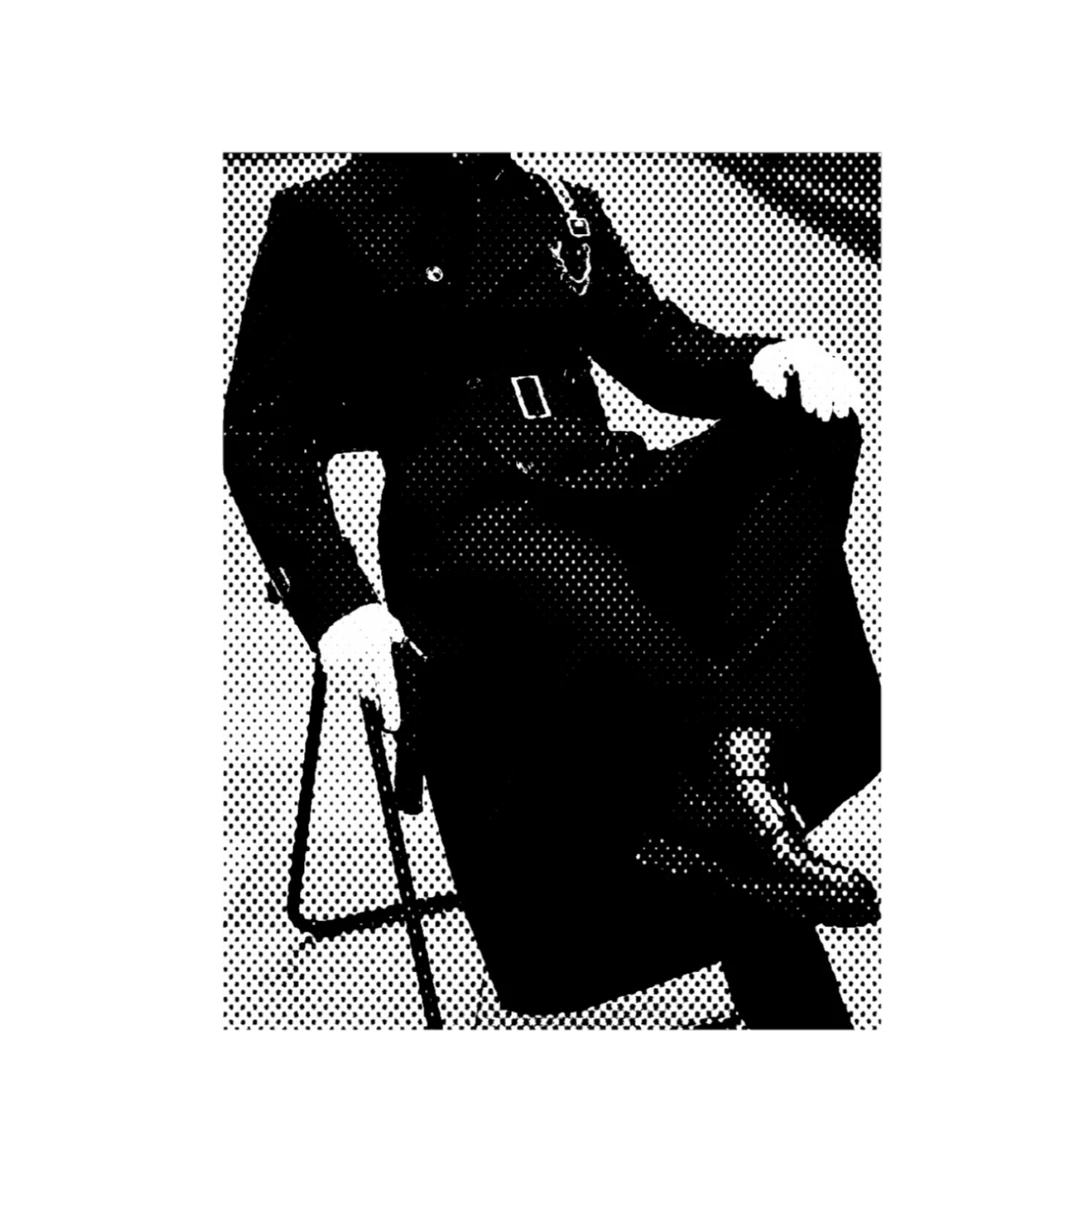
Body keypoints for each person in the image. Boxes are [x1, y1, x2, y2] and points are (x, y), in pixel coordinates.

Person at [222, 145, 885, 1031]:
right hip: (469, 523)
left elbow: (658, 349)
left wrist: (763, 360)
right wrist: (338, 603)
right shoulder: (325, 216)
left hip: (605, 485)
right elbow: (261, 432)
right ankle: (761, 900)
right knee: (661, 648)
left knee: (808, 431)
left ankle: (740, 769)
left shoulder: (558, 208)